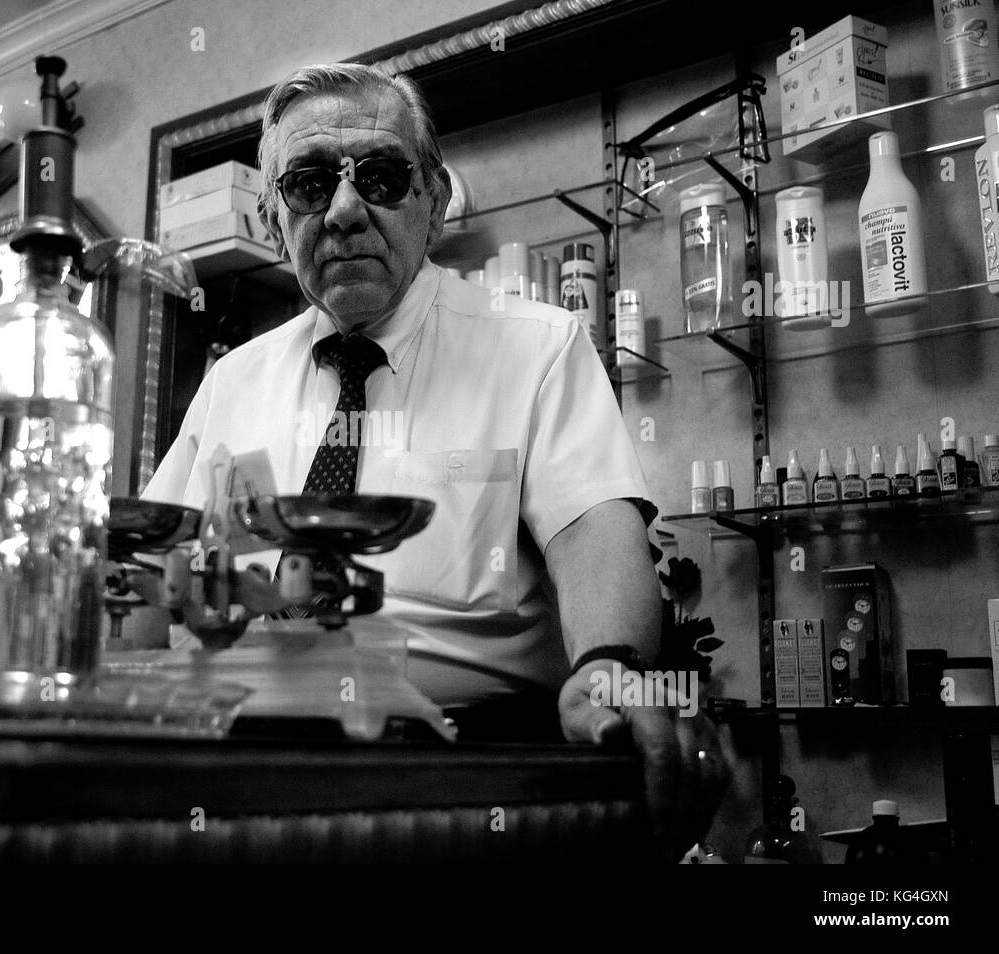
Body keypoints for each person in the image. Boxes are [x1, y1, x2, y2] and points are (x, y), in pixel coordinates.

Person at [142, 62, 730, 856]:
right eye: (310, 184)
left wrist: (609, 666)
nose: (345, 210)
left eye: (381, 176)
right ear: (275, 220)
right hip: (241, 769)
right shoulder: (232, 382)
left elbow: (592, 529)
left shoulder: (537, 347)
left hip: (461, 775)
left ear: (435, 199)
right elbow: (152, 568)